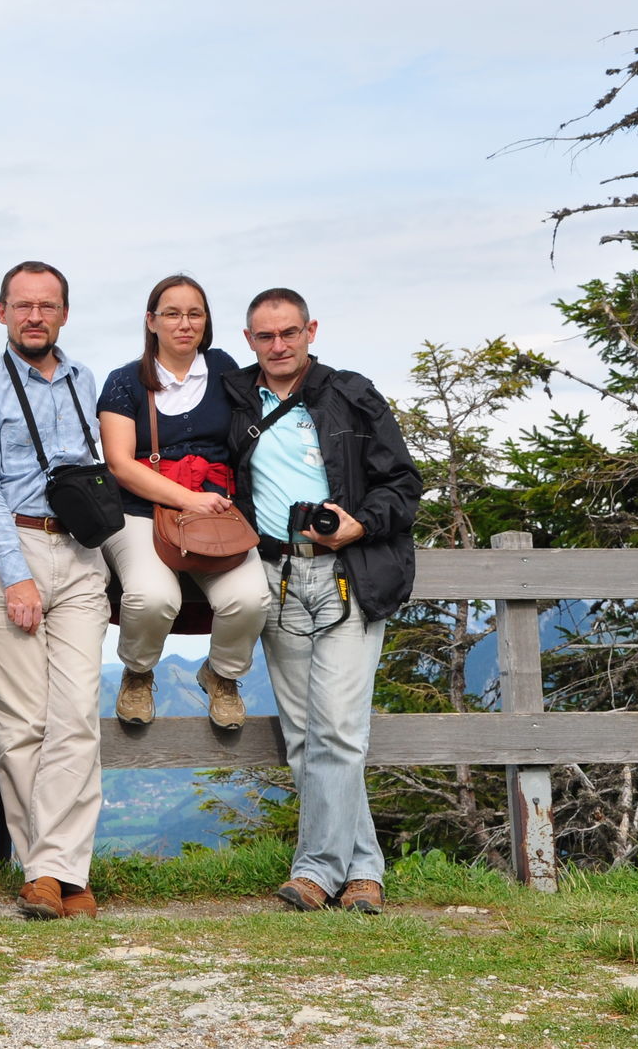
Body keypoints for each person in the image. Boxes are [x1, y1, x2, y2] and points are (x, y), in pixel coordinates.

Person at [223, 288, 421, 915]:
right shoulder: (233, 399)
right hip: (275, 575)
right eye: (264, 336)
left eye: (289, 332)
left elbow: (403, 485)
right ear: (249, 340)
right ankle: (362, 873)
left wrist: (361, 523)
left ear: (311, 330)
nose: (278, 345)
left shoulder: (353, 395)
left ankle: (314, 871)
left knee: (337, 729)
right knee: (306, 737)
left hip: (346, 574)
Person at [0, 261, 110, 920]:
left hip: (79, 553)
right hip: (9, 550)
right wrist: (15, 574)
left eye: (47, 305)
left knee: (77, 715)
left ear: (64, 314)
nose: (35, 316)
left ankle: (55, 868)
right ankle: (51, 874)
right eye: (23, 305)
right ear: (2, 313)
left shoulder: (85, 380)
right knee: (22, 724)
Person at [95, 274, 268, 729]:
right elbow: (120, 464)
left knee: (250, 597)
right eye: (172, 313)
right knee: (152, 597)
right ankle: (138, 672)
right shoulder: (124, 382)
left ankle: (222, 675)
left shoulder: (225, 369)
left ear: (206, 321)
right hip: (140, 509)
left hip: (216, 510)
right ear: (151, 321)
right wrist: (189, 498)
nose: (184, 323)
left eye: (194, 313)